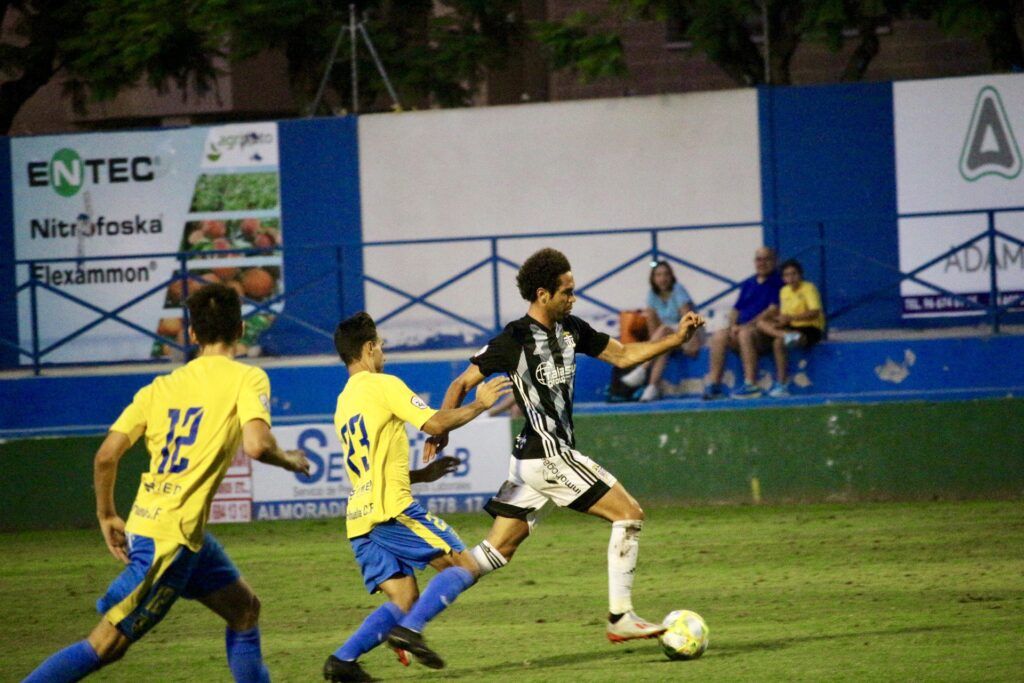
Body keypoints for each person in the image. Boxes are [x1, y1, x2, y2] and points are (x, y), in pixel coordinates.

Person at [23, 284, 311, 683]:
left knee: (244, 610)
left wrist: (107, 514)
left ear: (192, 334)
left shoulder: (158, 389)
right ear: (241, 329)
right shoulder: (248, 378)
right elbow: (258, 446)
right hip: (168, 541)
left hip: (171, 529)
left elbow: (106, 455)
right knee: (105, 645)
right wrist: (289, 459)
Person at [425, 248, 705, 644]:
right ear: (542, 294)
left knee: (493, 553)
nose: (573, 298)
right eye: (567, 292)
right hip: (546, 454)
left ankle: (411, 612)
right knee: (628, 514)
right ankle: (620, 616)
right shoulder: (513, 339)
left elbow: (623, 356)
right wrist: (443, 428)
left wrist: (677, 338)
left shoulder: (571, 328)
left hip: (529, 462)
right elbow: (460, 384)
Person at [323, 312, 512, 682]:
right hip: (390, 509)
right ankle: (409, 632)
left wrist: (421, 475)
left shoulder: (343, 402)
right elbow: (436, 423)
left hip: (360, 516)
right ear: (368, 348)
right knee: (463, 567)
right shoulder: (382, 384)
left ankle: (342, 662)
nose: (383, 351)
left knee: (404, 599)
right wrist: (480, 403)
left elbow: (369, 464)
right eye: (380, 345)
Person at [703, 246, 784, 399]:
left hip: (762, 333)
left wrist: (745, 326)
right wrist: (733, 326)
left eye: (766, 259)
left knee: (745, 333)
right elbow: (736, 310)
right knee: (719, 335)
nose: (762, 263)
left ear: (775, 261)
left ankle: (751, 385)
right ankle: (714, 385)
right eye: (759, 259)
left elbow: (772, 311)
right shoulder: (748, 283)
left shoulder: (778, 283)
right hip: (740, 330)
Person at [620, 260, 703, 401]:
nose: (662, 278)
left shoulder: (678, 290)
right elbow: (653, 330)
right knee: (662, 342)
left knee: (664, 331)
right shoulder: (652, 295)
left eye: (665, 274)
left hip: (689, 335)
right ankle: (652, 387)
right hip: (670, 339)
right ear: (653, 278)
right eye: (658, 275)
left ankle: (642, 369)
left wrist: (692, 341)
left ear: (671, 276)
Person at [755, 259, 825, 397]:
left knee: (779, 343)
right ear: (783, 278)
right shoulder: (784, 291)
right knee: (761, 323)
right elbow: (785, 315)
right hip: (790, 329)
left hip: (809, 329)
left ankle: (782, 385)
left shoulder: (808, 288)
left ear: (800, 275)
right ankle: (783, 335)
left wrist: (791, 318)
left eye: (794, 274)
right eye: (787, 275)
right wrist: (778, 322)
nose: (791, 278)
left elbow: (814, 312)